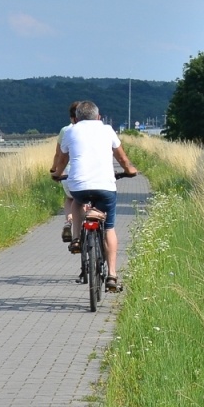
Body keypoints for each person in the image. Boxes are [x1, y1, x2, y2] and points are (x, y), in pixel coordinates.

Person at [50, 101, 138, 291]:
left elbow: (63, 160)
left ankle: (76, 238)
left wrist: (57, 174)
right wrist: (129, 170)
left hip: (79, 186)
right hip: (105, 187)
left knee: (76, 202)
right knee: (109, 228)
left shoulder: (71, 131)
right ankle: (112, 275)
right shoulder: (107, 130)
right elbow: (122, 158)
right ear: (98, 117)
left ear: (77, 117)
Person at [50, 102, 82, 260]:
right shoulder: (97, 130)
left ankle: (69, 221)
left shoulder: (65, 130)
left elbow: (59, 155)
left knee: (70, 197)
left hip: (68, 173)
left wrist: (54, 170)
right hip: (91, 176)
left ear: (71, 117)